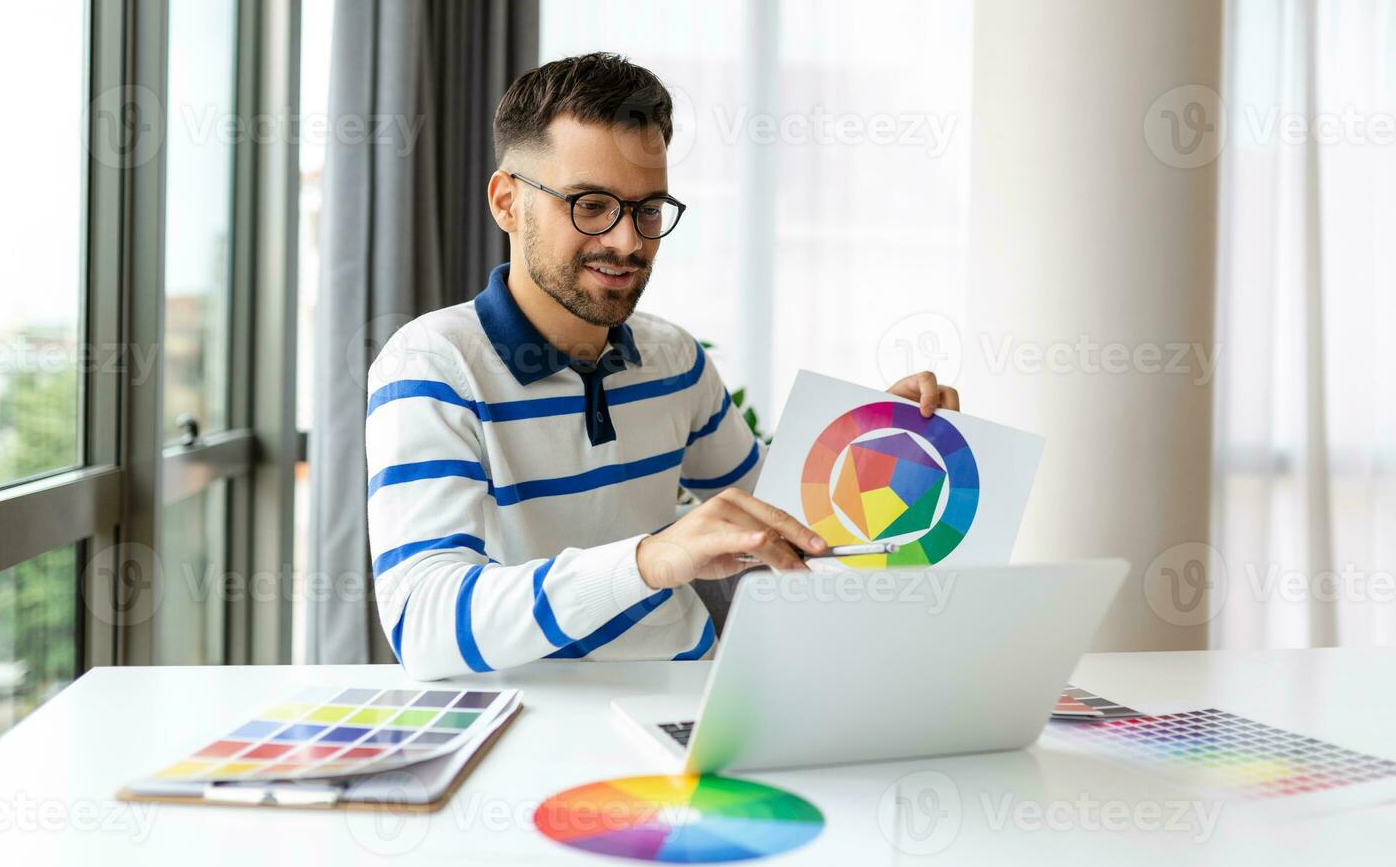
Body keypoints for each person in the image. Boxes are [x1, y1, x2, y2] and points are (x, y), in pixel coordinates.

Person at [365, 52, 959, 679]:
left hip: (693, 694)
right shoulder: (434, 366)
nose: (628, 241)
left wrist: (881, 444)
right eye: (590, 205)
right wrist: (649, 561)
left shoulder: (674, 358)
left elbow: (780, 521)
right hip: (531, 714)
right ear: (507, 202)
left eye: (647, 209)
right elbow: (425, 625)